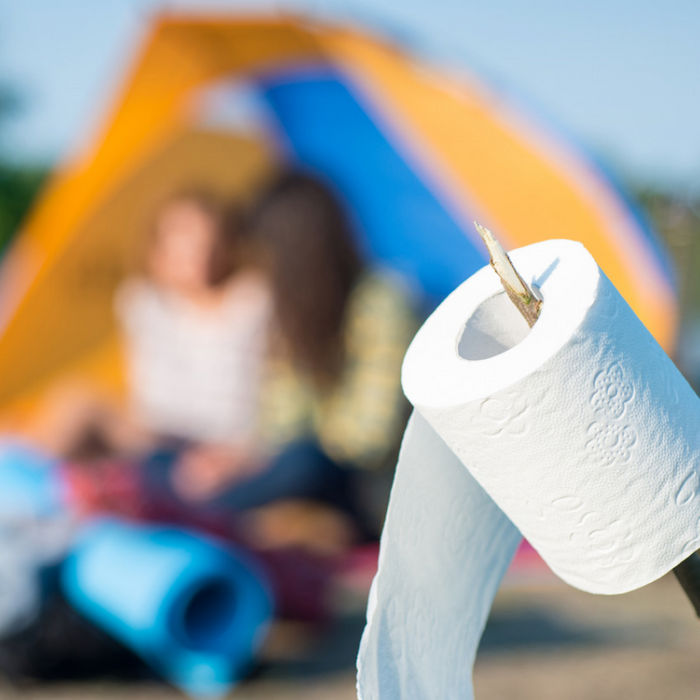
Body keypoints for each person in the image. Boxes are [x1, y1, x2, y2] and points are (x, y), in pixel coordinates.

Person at [170, 171, 419, 549]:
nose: (257, 270)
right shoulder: (294, 315)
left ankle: (177, 517)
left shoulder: (383, 303)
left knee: (304, 461)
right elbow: (277, 424)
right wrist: (239, 459)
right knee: (177, 459)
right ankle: (186, 510)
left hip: (370, 495)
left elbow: (369, 440)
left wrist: (280, 449)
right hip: (309, 480)